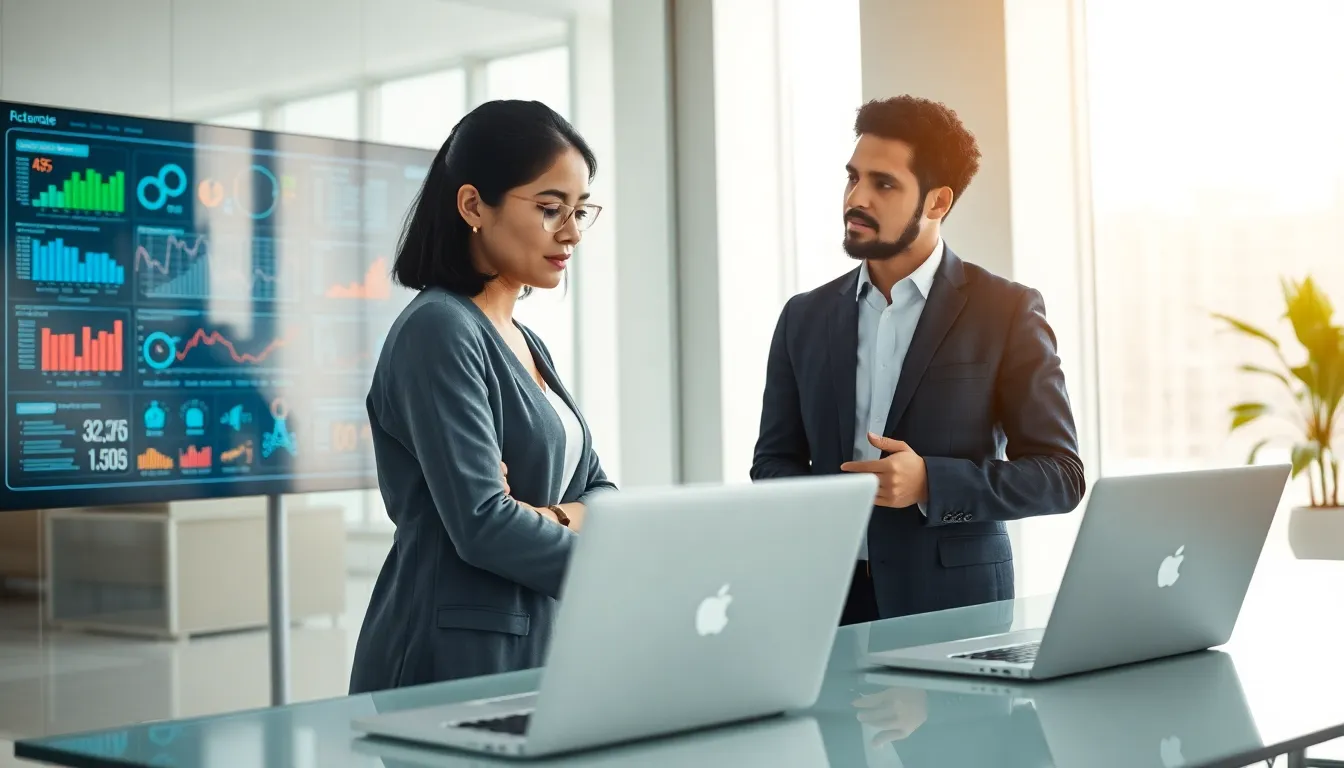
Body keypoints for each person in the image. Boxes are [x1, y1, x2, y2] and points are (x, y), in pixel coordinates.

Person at [751, 95, 1085, 625]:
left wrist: (930, 482)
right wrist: (827, 506)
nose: (855, 198)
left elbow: (1060, 476)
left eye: (883, 184)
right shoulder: (803, 317)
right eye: (852, 177)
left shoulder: (1007, 310)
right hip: (823, 603)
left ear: (937, 202)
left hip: (955, 605)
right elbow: (771, 463)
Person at [348, 100, 615, 693]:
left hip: (533, 641)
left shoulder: (525, 340)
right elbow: (484, 524)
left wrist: (543, 514)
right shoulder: (439, 329)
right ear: (473, 205)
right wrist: (617, 567)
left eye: (579, 211)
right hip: (451, 653)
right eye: (550, 209)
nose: (570, 232)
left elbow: (601, 490)